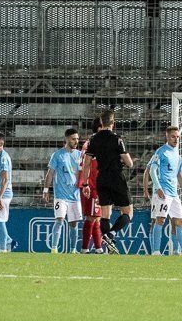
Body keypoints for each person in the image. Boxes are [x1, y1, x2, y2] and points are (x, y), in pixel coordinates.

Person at [82, 109, 134, 254]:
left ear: (101, 122)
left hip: (102, 178)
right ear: (113, 123)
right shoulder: (117, 139)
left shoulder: (93, 139)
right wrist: (126, 161)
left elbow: (86, 163)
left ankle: (108, 244)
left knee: (105, 214)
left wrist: (85, 183)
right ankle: (111, 234)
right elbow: (129, 163)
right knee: (128, 213)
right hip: (116, 177)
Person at [145, 126, 182, 256]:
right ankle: (155, 251)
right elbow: (152, 170)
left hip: (174, 193)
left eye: (177, 137)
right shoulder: (161, 152)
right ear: (167, 136)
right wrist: (158, 187)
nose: (176, 139)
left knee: (180, 221)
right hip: (163, 192)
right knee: (160, 220)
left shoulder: (178, 155)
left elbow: (179, 175)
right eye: (173, 137)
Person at [43, 128, 83, 253]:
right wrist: (45, 190)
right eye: (73, 139)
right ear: (66, 139)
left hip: (75, 195)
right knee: (59, 220)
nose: (76, 141)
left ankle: (73, 250)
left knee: (74, 224)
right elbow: (50, 174)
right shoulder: (58, 155)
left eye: (77, 139)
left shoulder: (80, 155)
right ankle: (54, 248)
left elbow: (84, 173)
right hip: (60, 195)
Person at [78, 118, 104, 254]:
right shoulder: (92, 144)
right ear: (98, 129)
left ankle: (98, 248)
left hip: (96, 185)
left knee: (96, 217)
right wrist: (86, 183)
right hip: (92, 185)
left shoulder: (92, 143)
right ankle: (85, 248)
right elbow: (85, 166)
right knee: (91, 217)